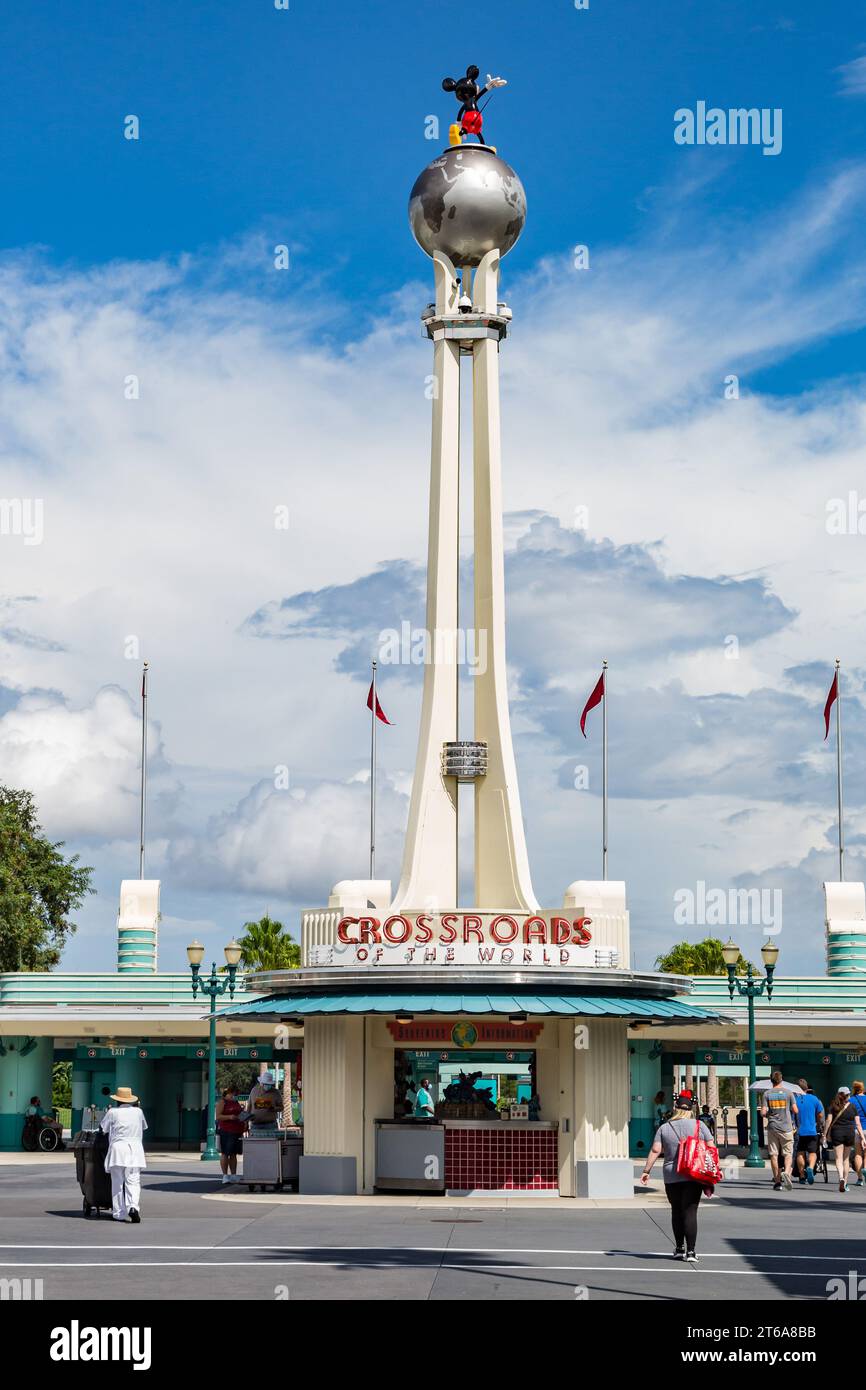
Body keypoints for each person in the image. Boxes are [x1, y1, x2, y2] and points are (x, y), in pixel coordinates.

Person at [640, 1090, 714, 1263]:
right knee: (690, 1211)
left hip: (671, 1175)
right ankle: (691, 1252)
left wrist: (646, 1171)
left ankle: (679, 1248)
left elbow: (656, 1150)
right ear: (691, 1108)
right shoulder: (699, 1126)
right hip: (693, 1174)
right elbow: (711, 1147)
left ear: (675, 1107)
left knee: (676, 1210)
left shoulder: (665, 1127)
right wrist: (714, 1169)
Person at [100, 1085, 147, 1223]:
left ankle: (119, 1213)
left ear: (117, 1100)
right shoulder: (138, 1112)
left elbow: (103, 1129)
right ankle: (133, 1206)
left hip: (118, 1150)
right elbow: (143, 1126)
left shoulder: (113, 1112)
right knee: (133, 1181)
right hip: (135, 1150)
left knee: (117, 1182)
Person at [761, 1072, 798, 1191]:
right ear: (781, 1080)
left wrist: (769, 1114)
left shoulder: (767, 1094)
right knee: (788, 1153)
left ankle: (777, 1182)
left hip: (772, 1127)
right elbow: (795, 1110)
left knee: (774, 1155)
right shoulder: (789, 1093)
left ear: (771, 1080)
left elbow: (762, 1112)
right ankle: (786, 1172)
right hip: (786, 1127)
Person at [823, 1086, 864, 1192]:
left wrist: (824, 1134)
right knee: (846, 1159)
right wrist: (863, 1137)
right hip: (850, 1133)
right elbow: (858, 1124)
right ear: (847, 1095)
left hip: (837, 1133)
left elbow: (828, 1121)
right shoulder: (853, 1106)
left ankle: (840, 1177)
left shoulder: (833, 1105)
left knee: (838, 1158)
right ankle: (845, 1183)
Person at [793, 1079, 825, 1185]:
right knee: (812, 1152)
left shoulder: (794, 1100)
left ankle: (802, 1176)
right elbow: (820, 1115)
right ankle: (810, 1167)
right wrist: (818, 1123)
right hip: (811, 1130)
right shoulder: (814, 1099)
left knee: (800, 1152)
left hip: (799, 1131)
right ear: (807, 1088)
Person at [215, 1085, 246, 1184]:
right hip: (226, 1131)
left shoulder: (236, 1102)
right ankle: (225, 1175)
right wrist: (229, 1117)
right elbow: (218, 1116)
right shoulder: (222, 1102)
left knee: (234, 1154)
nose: (235, 1095)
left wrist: (245, 1121)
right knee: (225, 1153)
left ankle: (233, 1175)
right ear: (228, 1093)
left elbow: (241, 1113)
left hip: (237, 1130)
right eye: (233, 1093)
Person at [849, 1081, 866, 1187]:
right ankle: (865, 1169)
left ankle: (860, 1178)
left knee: (858, 1154)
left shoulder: (851, 1100)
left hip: (856, 1129)